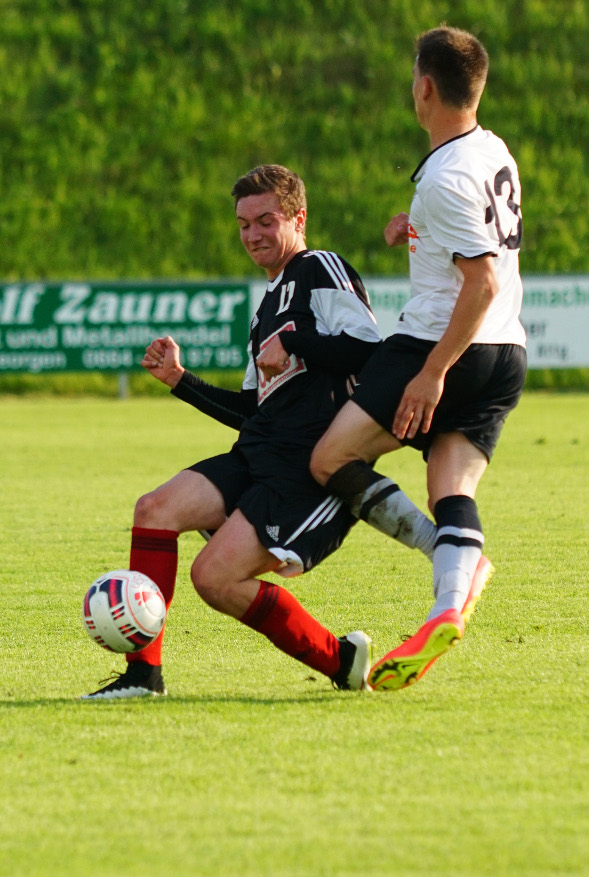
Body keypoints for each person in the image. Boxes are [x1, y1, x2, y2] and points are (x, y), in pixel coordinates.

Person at [81, 163, 410, 699]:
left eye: (266, 220)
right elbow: (253, 411)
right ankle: (144, 676)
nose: (252, 234)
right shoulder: (265, 310)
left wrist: (297, 340)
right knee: (154, 511)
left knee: (213, 579)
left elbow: (369, 351)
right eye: (243, 225)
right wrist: (180, 381)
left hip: (307, 463)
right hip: (258, 448)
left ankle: (340, 660)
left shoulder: (320, 268)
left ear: (298, 218)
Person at [310, 26, 527, 691]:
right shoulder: (492, 150)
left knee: (330, 457)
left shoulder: (445, 177)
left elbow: (481, 278)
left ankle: (445, 556)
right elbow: (481, 237)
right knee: (451, 488)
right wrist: (417, 228)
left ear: (424, 87)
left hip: (439, 345)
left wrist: (431, 372)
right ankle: (447, 602)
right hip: (506, 351)